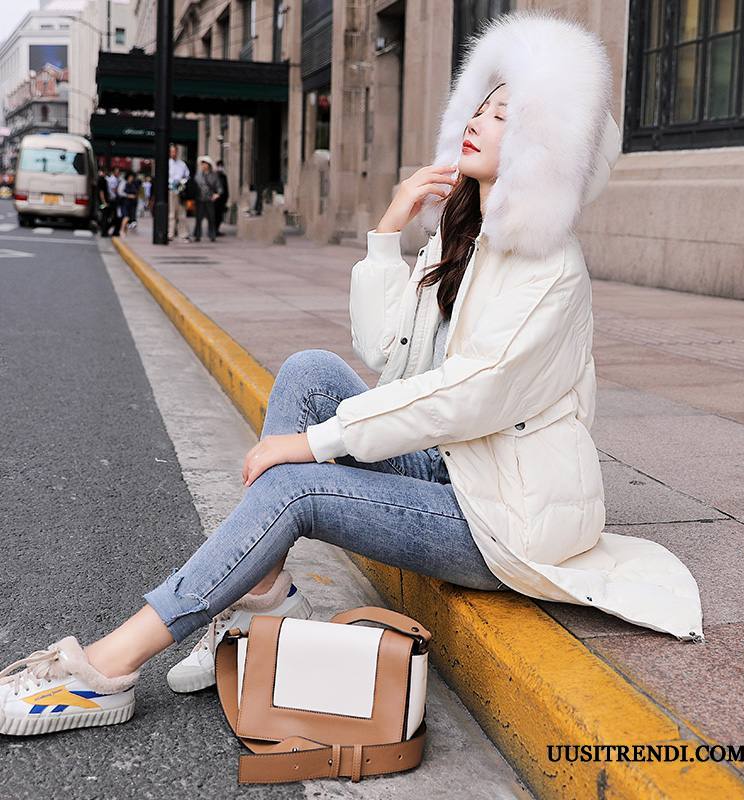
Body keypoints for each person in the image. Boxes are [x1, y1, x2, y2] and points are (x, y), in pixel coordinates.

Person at [0, 9, 704, 740]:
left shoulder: (550, 268)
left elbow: (467, 395)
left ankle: (108, 667)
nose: (477, 121)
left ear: (544, 150)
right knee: (309, 370)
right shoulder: (465, 236)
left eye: (503, 117)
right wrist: (389, 229)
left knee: (296, 485)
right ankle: (263, 596)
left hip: (501, 516)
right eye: (481, 107)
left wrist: (314, 444)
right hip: (456, 466)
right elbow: (386, 353)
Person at [192, 155, 221, 242]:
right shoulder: (198, 175)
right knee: (198, 218)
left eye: (205, 164)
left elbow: (219, 187)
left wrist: (217, 194)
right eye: (202, 164)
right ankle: (197, 235)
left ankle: (212, 235)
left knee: (211, 218)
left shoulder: (214, 175)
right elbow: (194, 185)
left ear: (209, 165)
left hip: (209, 199)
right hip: (200, 199)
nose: (203, 166)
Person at [168, 144, 190, 241]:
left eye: (175, 151)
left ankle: (183, 234)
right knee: (171, 213)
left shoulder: (182, 164)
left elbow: (187, 176)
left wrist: (182, 183)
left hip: (180, 191)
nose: (173, 153)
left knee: (182, 213)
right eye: (172, 151)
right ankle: (170, 233)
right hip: (171, 190)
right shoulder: (168, 163)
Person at [104, 166, 121, 237]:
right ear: (113, 172)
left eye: (118, 172)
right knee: (115, 217)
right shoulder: (113, 180)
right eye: (117, 172)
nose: (118, 173)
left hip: (113, 200)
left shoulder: (114, 179)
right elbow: (114, 190)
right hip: (112, 200)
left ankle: (109, 231)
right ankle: (107, 230)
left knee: (115, 217)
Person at [213, 160, 229, 236]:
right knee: (214, 216)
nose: (220, 167)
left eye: (221, 166)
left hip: (222, 200)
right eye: (219, 166)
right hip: (215, 200)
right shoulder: (214, 176)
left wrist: (226, 198)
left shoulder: (224, 176)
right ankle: (213, 231)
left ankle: (216, 230)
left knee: (220, 217)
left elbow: (226, 188)